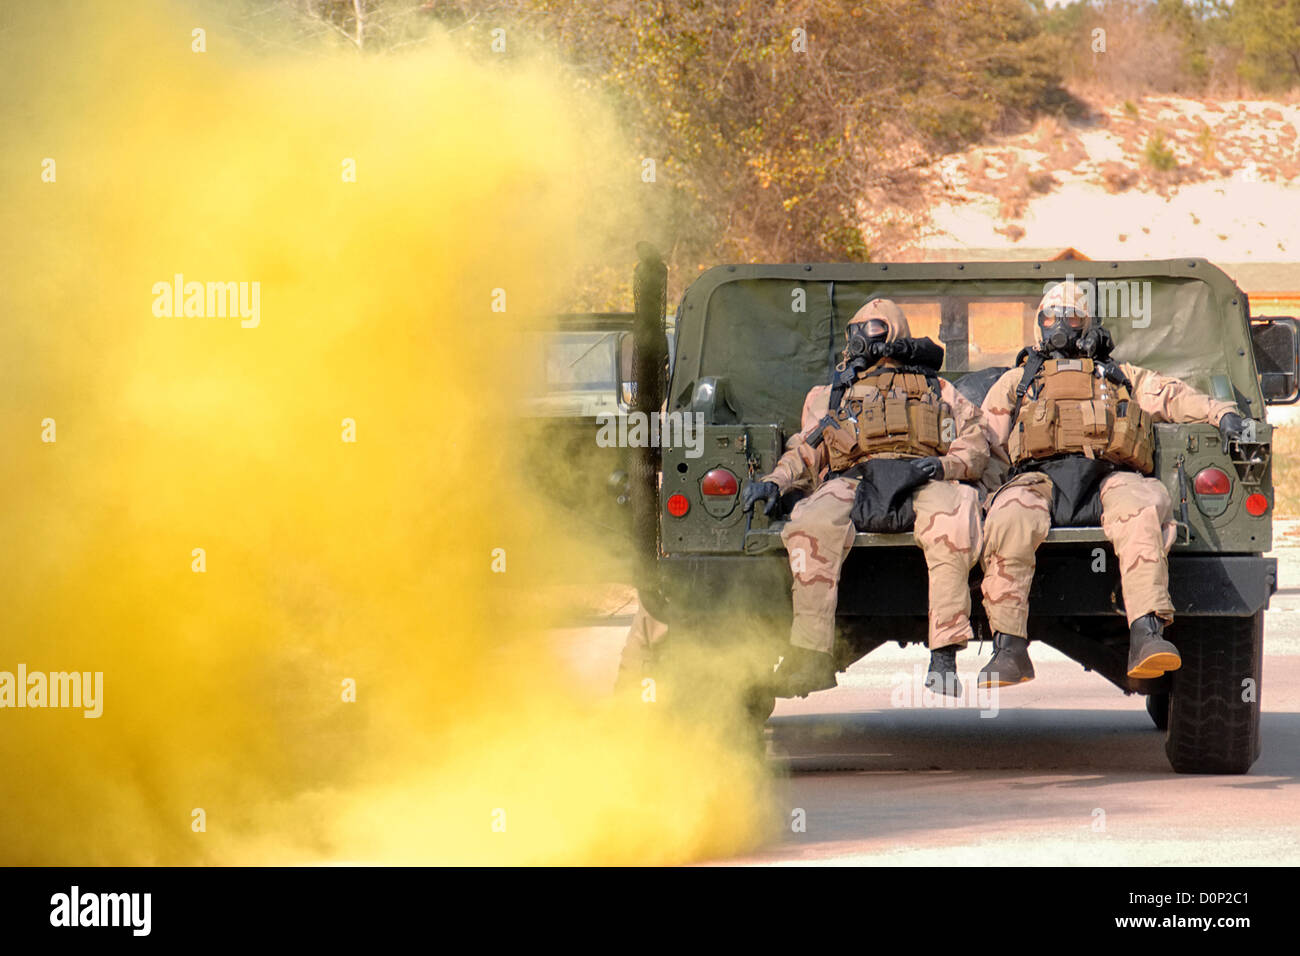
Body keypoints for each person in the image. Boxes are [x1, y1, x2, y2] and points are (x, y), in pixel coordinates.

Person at [976, 280, 1251, 687]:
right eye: (1050, 317)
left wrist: (1221, 413)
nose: (1059, 327)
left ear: (1086, 323)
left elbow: (1170, 397)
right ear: (1038, 323)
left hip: (1110, 474)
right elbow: (986, 443)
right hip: (1038, 479)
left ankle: (1146, 634)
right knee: (1008, 518)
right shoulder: (1017, 382)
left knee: (1142, 510)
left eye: (1070, 318)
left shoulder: (1120, 375)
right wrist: (980, 496)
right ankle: (1009, 648)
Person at [742, 299, 990, 698]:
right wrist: (776, 482)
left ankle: (944, 655)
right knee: (810, 525)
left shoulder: (937, 388)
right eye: (857, 331)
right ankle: (809, 655)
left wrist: (946, 467)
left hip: (921, 475)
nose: (864, 339)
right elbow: (807, 451)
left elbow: (976, 442)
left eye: (874, 330)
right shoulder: (831, 394)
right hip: (853, 477)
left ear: (895, 335)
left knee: (955, 519)